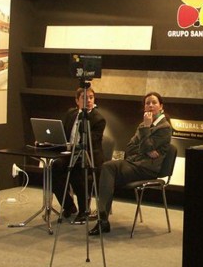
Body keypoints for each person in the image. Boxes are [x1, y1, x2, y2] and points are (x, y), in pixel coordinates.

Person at [89, 92, 171, 235]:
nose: (150, 105)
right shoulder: (142, 125)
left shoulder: (164, 127)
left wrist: (146, 131)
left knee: (108, 171)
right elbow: (130, 147)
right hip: (134, 164)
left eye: (154, 102)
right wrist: (146, 149)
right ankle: (103, 219)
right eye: (147, 103)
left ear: (161, 106)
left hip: (147, 168)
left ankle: (102, 219)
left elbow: (144, 147)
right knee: (107, 167)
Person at [51, 86, 106, 223]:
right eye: (84, 98)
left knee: (77, 170)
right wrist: (48, 142)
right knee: (54, 167)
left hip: (88, 156)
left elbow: (89, 142)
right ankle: (69, 206)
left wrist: (83, 119)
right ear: (77, 101)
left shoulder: (98, 119)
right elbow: (63, 134)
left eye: (91, 98)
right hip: (69, 153)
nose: (88, 101)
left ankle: (84, 210)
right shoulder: (71, 113)